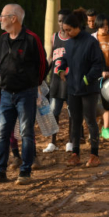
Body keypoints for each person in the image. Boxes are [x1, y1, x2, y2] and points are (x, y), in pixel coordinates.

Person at [0, 4, 46, 186]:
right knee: (2, 133)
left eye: (2, 16)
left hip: (25, 93)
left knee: (26, 132)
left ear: (14, 19)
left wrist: (34, 85)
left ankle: (25, 171)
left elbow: (43, 65)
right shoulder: (3, 39)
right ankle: (0, 170)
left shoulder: (31, 39)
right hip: (6, 93)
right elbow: (1, 62)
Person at [55, 12, 104, 167]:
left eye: (69, 30)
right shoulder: (68, 43)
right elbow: (65, 59)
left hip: (89, 89)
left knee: (90, 120)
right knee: (75, 121)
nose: (66, 33)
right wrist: (61, 69)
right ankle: (75, 153)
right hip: (73, 88)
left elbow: (99, 64)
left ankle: (94, 154)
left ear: (77, 27)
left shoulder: (90, 42)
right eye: (64, 30)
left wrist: (87, 78)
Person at [44, 9, 72, 153]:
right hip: (56, 81)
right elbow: (50, 57)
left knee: (71, 112)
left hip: (70, 81)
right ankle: (52, 142)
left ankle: (71, 141)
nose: (61, 24)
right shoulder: (54, 37)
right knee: (54, 111)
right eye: (59, 21)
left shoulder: (74, 38)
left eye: (64, 21)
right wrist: (42, 75)